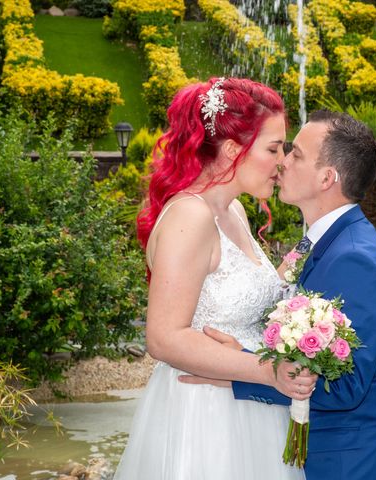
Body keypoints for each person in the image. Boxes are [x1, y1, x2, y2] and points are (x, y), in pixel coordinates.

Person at [182, 110, 376, 479]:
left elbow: (346, 387)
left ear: (328, 178)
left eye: (296, 154)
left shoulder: (355, 259)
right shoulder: (321, 243)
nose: (282, 161)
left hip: (354, 463)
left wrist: (244, 371)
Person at [113, 77, 316, 480]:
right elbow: (164, 336)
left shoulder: (234, 211)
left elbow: (241, 293)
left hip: (245, 405)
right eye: (273, 148)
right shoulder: (191, 215)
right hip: (206, 417)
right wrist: (266, 370)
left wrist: (314, 245)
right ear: (231, 150)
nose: (282, 162)